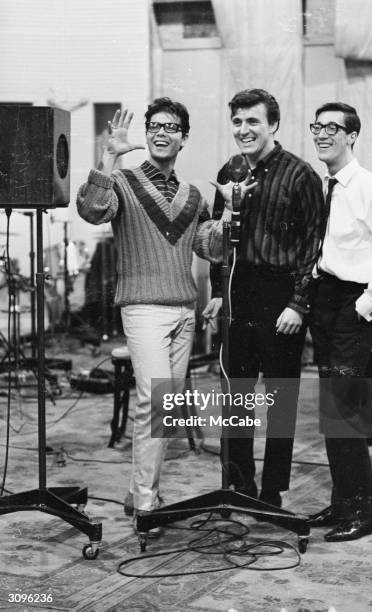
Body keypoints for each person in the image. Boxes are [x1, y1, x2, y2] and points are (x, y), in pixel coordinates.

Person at [77, 98, 228, 534]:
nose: (162, 133)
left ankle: (139, 490)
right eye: (155, 126)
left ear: (184, 137)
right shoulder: (122, 181)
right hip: (143, 309)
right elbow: (90, 211)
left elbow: (211, 248)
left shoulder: (194, 194)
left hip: (184, 310)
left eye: (172, 127)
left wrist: (230, 212)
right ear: (146, 134)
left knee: (165, 407)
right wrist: (108, 155)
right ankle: (146, 505)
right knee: (157, 403)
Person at [203, 88, 325, 507]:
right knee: (235, 393)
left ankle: (272, 491)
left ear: (273, 124)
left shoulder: (301, 174)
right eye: (237, 122)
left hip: (281, 295)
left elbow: (314, 244)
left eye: (252, 121)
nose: (244, 130)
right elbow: (220, 244)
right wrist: (220, 294)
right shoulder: (230, 170)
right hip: (239, 291)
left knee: (279, 398)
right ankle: (241, 485)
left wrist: (298, 303)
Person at [307, 102, 372, 541]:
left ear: (352, 136)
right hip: (325, 302)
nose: (322, 134)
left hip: (351, 307)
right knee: (332, 411)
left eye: (332, 128)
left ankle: (363, 514)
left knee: (344, 413)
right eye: (317, 126)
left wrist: (361, 310)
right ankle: (343, 502)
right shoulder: (327, 187)